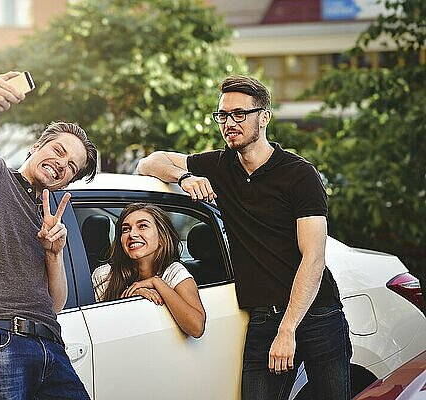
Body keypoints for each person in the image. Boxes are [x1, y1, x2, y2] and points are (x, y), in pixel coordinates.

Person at [137, 75, 351, 399]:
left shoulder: (299, 174)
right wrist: (184, 176)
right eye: (222, 115)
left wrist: (289, 329)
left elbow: (314, 257)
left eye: (239, 114)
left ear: (263, 117)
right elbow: (149, 162)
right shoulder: (220, 166)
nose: (229, 123)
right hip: (263, 319)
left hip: (317, 316)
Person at [0, 71, 97, 400]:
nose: (62, 164)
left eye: (71, 167)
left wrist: (53, 252)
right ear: (36, 147)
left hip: (50, 346)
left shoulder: (51, 219)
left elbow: (56, 304)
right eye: (58, 151)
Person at [91, 203, 206, 338]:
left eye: (143, 226)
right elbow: (94, 329)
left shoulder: (173, 272)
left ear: (161, 238)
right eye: (125, 229)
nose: (132, 234)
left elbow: (196, 328)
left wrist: (157, 283)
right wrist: (130, 297)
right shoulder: (104, 275)